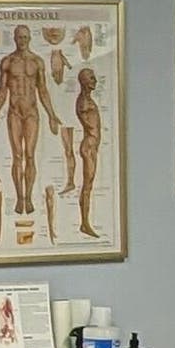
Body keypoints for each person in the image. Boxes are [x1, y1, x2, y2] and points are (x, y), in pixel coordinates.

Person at [0, 27, 54, 218]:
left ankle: (28, 197)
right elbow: (2, 90)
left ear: (30, 38)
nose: (23, 40)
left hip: (32, 113)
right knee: (17, 155)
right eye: (20, 37)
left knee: (30, 155)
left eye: (26, 37)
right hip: (14, 112)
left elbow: (42, 89)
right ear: (15, 38)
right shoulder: (8, 62)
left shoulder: (37, 61)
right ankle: (20, 197)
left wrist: (51, 114)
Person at [70, 65, 105, 238]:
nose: (95, 81)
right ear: (84, 81)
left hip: (92, 144)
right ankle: (84, 223)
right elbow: (86, 117)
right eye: (91, 78)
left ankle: (85, 221)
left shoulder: (87, 100)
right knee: (87, 186)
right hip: (89, 145)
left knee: (88, 185)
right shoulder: (84, 102)